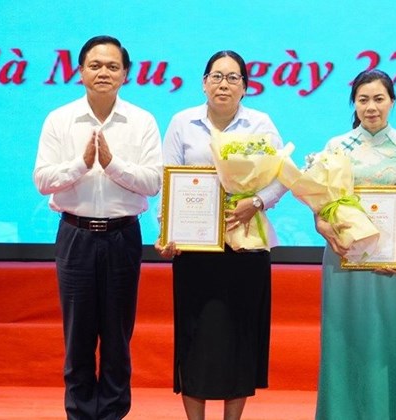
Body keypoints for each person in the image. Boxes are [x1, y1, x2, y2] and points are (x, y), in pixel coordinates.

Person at [33, 35, 162, 419]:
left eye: (111, 66)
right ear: (80, 71)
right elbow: (43, 180)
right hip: (76, 235)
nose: (103, 72)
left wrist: (112, 164)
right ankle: (79, 413)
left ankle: (112, 413)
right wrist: (82, 164)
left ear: (125, 73)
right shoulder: (60, 119)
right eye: (95, 65)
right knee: (78, 335)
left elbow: (153, 182)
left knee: (118, 336)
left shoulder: (142, 121)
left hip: (123, 235)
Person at [155, 50, 286, 420]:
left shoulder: (259, 125)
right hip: (195, 249)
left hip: (246, 247)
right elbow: (168, 180)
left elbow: (282, 177)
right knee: (195, 338)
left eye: (232, 78)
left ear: (245, 86)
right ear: (204, 83)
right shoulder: (183, 122)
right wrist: (166, 230)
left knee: (241, 338)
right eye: (216, 76)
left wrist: (256, 202)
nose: (223, 84)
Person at [313, 69, 396, 420]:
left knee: (388, 341)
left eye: (379, 99)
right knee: (344, 340)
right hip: (344, 258)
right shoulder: (337, 147)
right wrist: (323, 225)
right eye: (363, 99)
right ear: (354, 104)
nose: (371, 107)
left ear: (392, 101)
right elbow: (321, 201)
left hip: (392, 261)